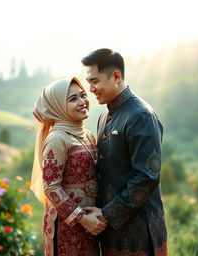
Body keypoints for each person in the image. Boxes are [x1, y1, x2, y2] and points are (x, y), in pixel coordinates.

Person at [81, 49, 168, 256]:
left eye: (95, 81)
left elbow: (147, 177)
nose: (91, 89)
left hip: (140, 232)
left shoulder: (141, 115)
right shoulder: (104, 115)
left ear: (116, 76)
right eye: (89, 82)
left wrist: (107, 214)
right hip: (111, 231)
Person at [30, 77, 107, 256]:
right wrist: (81, 218)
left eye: (82, 95)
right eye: (73, 99)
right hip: (66, 223)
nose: (82, 102)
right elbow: (50, 187)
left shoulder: (87, 135)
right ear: (58, 106)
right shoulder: (58, 138)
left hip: (90, 222)